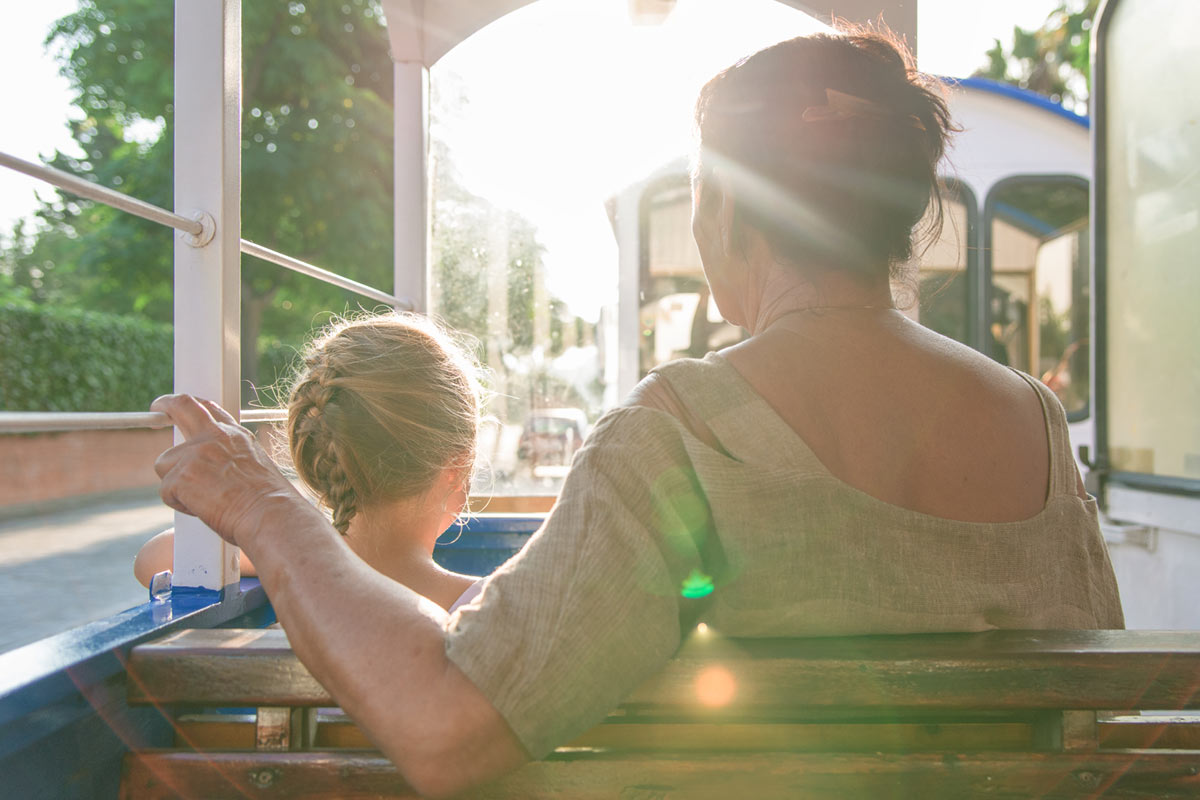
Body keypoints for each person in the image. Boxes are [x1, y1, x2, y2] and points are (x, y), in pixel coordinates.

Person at [150, 27, 1123, 797]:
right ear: (898, 222)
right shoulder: (1034, 419)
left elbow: (446, 735)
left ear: (723, 215)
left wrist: (264, 506)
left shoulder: (686, 428)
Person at [136, 312, 486, 614]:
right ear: (457, 467)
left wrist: (283, 536)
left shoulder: (300, 565)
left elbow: (155, 557)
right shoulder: (487, 606)